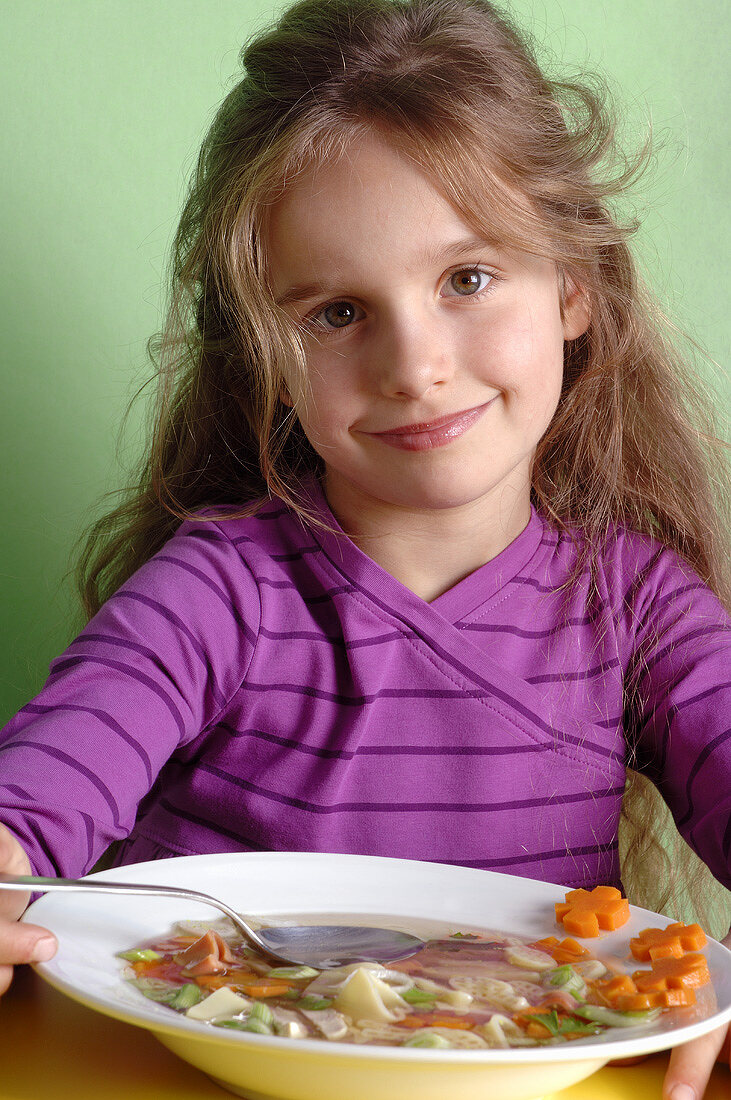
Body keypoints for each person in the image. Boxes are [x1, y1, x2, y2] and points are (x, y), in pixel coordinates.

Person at [1, 0, 728, 1093]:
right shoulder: (218, 592)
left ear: (572, 284)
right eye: (337, 312)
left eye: (466, 279)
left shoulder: (636, 607)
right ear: (264, 354)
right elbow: (36, 796)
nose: (414, 365)